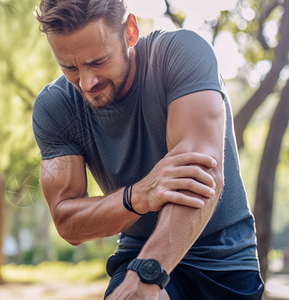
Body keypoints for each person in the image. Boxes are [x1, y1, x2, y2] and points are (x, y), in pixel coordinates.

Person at [32, 0, 264, 299]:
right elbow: (68, 221)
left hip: (223, 256)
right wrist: (137, 196)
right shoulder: (55, 107)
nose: (87, 82)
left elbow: (199, 180)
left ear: (130, 31)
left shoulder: (182, 53)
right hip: (137, 248)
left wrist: (147, 273)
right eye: (70, 67)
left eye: (98, 62)